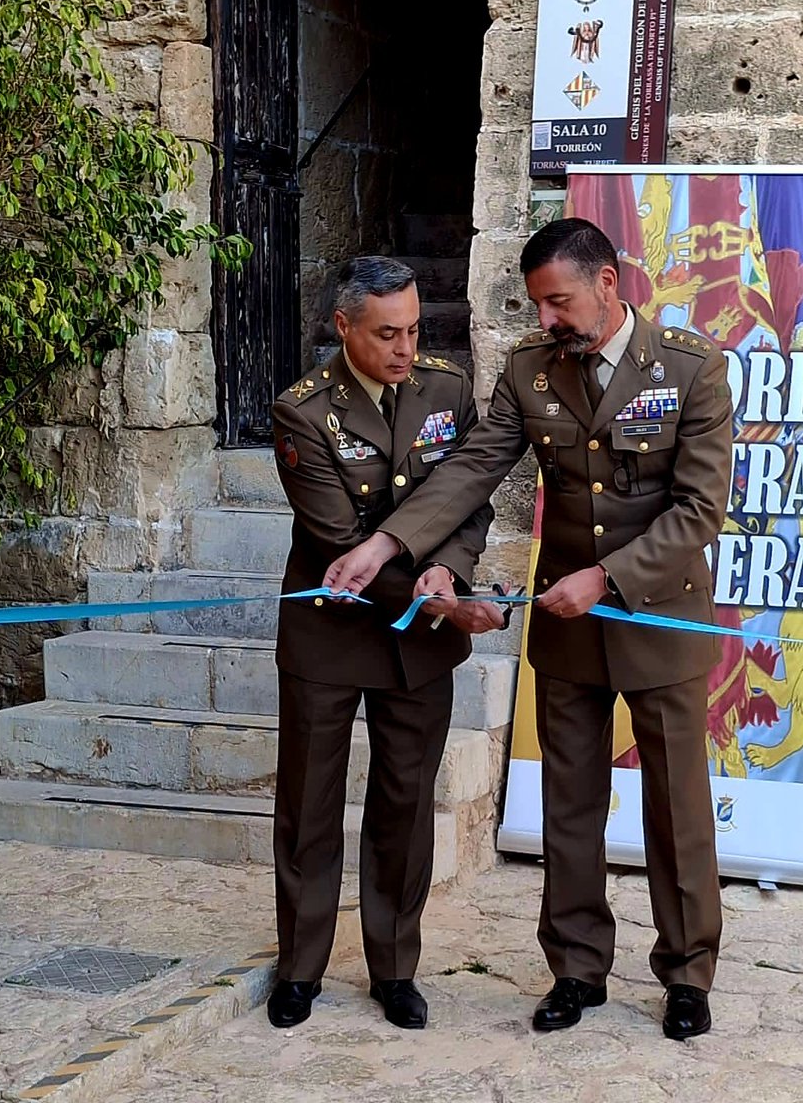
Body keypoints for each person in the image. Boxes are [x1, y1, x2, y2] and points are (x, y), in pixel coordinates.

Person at [324, 219, 734, 1040]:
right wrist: (387, 544)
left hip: (659, 615)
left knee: (677, 807)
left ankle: (686, 973)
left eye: (559, 302)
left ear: (608, 285)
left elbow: (699, 508)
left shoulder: (692, 368)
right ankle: (577, 969)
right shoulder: (526, 369)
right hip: (565, 628)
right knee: (569, 804)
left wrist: (610, 577)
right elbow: (476, 466)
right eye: (537, 304)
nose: (546, 319)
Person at [268, 255, 504, 1031]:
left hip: (417, 641)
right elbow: (340, 538)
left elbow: (468, 497)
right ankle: (300, 967)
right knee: (310, 804)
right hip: (332, 635)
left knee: (404, 804)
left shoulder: (445, 387)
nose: (404, 349)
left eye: (413, 330)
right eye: (386, 334)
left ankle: (393, 967)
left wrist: (451, 569)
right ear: (344, 328)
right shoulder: (303, 412)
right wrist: (446, 601)